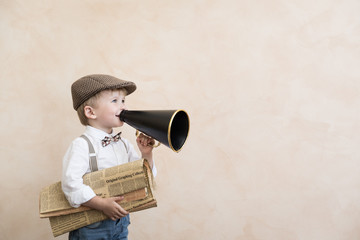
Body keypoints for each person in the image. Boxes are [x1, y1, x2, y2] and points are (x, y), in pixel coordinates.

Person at [61, 74, 156, 240]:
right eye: (115, 101)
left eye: (123, 101)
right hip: (92, 227)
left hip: (121, 222)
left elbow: (145, 178)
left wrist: (146, 153)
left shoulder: (124, 144)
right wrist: (101, 204)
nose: (123, 107)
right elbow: (71, 185)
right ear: (90, 112)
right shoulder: (81, 145)